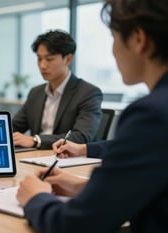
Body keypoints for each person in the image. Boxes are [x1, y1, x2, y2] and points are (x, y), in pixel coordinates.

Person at [16, 0, 168, 232]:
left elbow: (76, 224)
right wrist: (85, 184)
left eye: (114, 38)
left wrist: (35, 198)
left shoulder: (151, 114)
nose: (113, 51)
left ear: (138, 39)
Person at [12, 30, 102, 149]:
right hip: (34, 157)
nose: (43, 66)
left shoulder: (88, 93)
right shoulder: (36, 93)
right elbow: (13, 127)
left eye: (49, 59)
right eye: (39, 59)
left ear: (68, 59)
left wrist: (36, 140)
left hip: (67, 160)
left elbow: (81, 136)